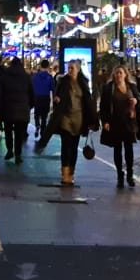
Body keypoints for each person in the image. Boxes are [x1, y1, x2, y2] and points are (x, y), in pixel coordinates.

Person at [49, 59, 97, 187]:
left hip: (79, 119)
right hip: (65, 117)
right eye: (68, 68)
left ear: (78, 69)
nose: (69, 70)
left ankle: (71, 173)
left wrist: (93, 120)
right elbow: (56, 95)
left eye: (72, 68)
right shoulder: (63, 81)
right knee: (65, 146)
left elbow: (88, 101)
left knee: (74, 147)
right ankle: (64, 174)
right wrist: (57, 99)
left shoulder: (83, 82)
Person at [99, 66, 139, 188]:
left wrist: (136, 102)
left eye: (120, 73)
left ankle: (130, 174)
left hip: (128, 122)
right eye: (116, 73)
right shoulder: (108, 88)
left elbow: (138, 99)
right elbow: (103, 107)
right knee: (117, 150)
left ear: (125, 75)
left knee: (129, 150)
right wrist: (105, 121)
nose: (118, 75)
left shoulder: (131, 87)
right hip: (115, 122)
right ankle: (120, 175)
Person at [0, 58, 32, 163]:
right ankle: (18, 154)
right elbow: (31, 93)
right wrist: (29, 106)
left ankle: (9, 150)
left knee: (8, 131)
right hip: (22, 109)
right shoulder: (26, 77)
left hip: (7, 108)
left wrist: (0, 108)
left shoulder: (4, 77)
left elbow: (0, 94)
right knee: (19, 133)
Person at [31, 60, 54, 141]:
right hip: (46, 98)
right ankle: (42, 133)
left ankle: (37, 125)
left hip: (37, 98)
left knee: (37, 114)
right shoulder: (50, 77)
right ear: (48, 67)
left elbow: (31, 88)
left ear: (40, 66)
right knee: (44, 116)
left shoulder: (35, 77)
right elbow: (52, 89)